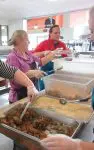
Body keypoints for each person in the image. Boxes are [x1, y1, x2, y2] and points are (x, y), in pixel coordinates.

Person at [40, 6, 94, 150]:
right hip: (47, 76)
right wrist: (47, 54)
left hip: (59, 75)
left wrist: (68, 54)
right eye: (55, 32)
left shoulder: (63, 44)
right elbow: (35, 58)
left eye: (59, 32)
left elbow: (67, 60)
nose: (58, 35)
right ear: (50, 33)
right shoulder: (44, 44)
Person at [6, 30, 55, 103]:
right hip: (19, 96)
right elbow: (14, 78)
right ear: (20, 41)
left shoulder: (28, 54)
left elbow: (40, 62)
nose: (29, 42)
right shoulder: (12, 57)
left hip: (32, 92)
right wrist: (33, 73)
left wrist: (51, 55)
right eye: (27, 40)